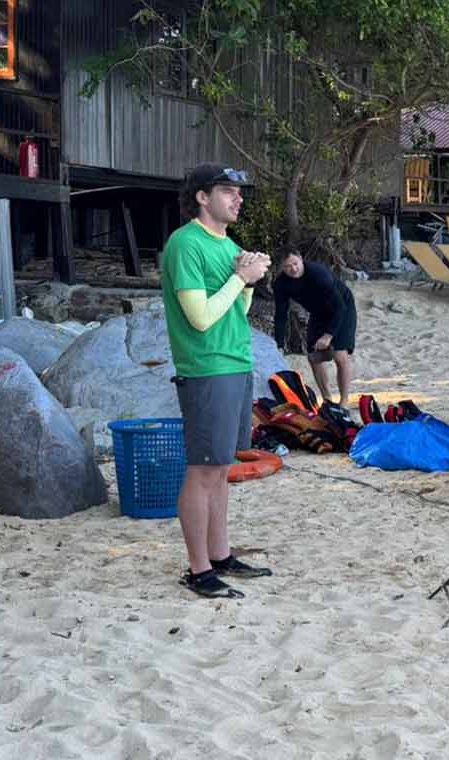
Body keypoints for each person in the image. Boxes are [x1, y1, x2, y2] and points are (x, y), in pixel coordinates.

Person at [161, 163, 273, 599]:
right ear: (202, 197)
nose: (238, 198)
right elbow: (201, 317)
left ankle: (221, 555)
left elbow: (235, 313)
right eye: (227, 190)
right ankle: (198, 569)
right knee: (203, 469)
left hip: (235, 363)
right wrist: (240, 278)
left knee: (222, 467)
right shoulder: (185, 244)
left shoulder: (230, 245)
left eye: (239, 191)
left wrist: (247, 284)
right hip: (206, 368)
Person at [272, 249, 359, 408]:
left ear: (301, 258)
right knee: (313, 357)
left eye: (295, 263)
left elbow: (339, 307)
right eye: (287, 266)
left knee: (340, 355)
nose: (293, 269)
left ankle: (344, 400)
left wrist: (328, 335)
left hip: (342, 307)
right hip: (318, 312)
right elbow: (281, 315)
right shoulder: (281, 284)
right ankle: (326, 399)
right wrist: (278, 343)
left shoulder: (318, 274)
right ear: (281, 268)